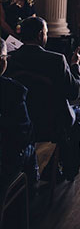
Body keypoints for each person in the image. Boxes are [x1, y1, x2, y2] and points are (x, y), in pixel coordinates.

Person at [6, 17, 80, 180]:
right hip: (51, 124)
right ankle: (68, 166)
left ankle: (48, 164)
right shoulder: (56, 60)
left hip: (19, 124)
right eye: (46, 33)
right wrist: (75, 66)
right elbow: (73, 93)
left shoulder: (10, 59)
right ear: (40, 34)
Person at [1, 38, 38, 193]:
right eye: (5, 57)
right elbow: (24, 134)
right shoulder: (13, 90)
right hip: (5, 162)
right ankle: (32, 193)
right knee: (30, 145)